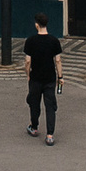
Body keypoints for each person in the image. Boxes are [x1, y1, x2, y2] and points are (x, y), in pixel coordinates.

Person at [24, 16, 63, 145]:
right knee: (50, 106)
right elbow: (57, 60)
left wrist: (28, 74)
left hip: (35, 77)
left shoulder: (31, 41)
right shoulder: (54, 41)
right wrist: (60, 77)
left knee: (34, 103)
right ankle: (50, 135)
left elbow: (27, 61)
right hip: (50, 78)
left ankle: (34, 127)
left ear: (36, 25)